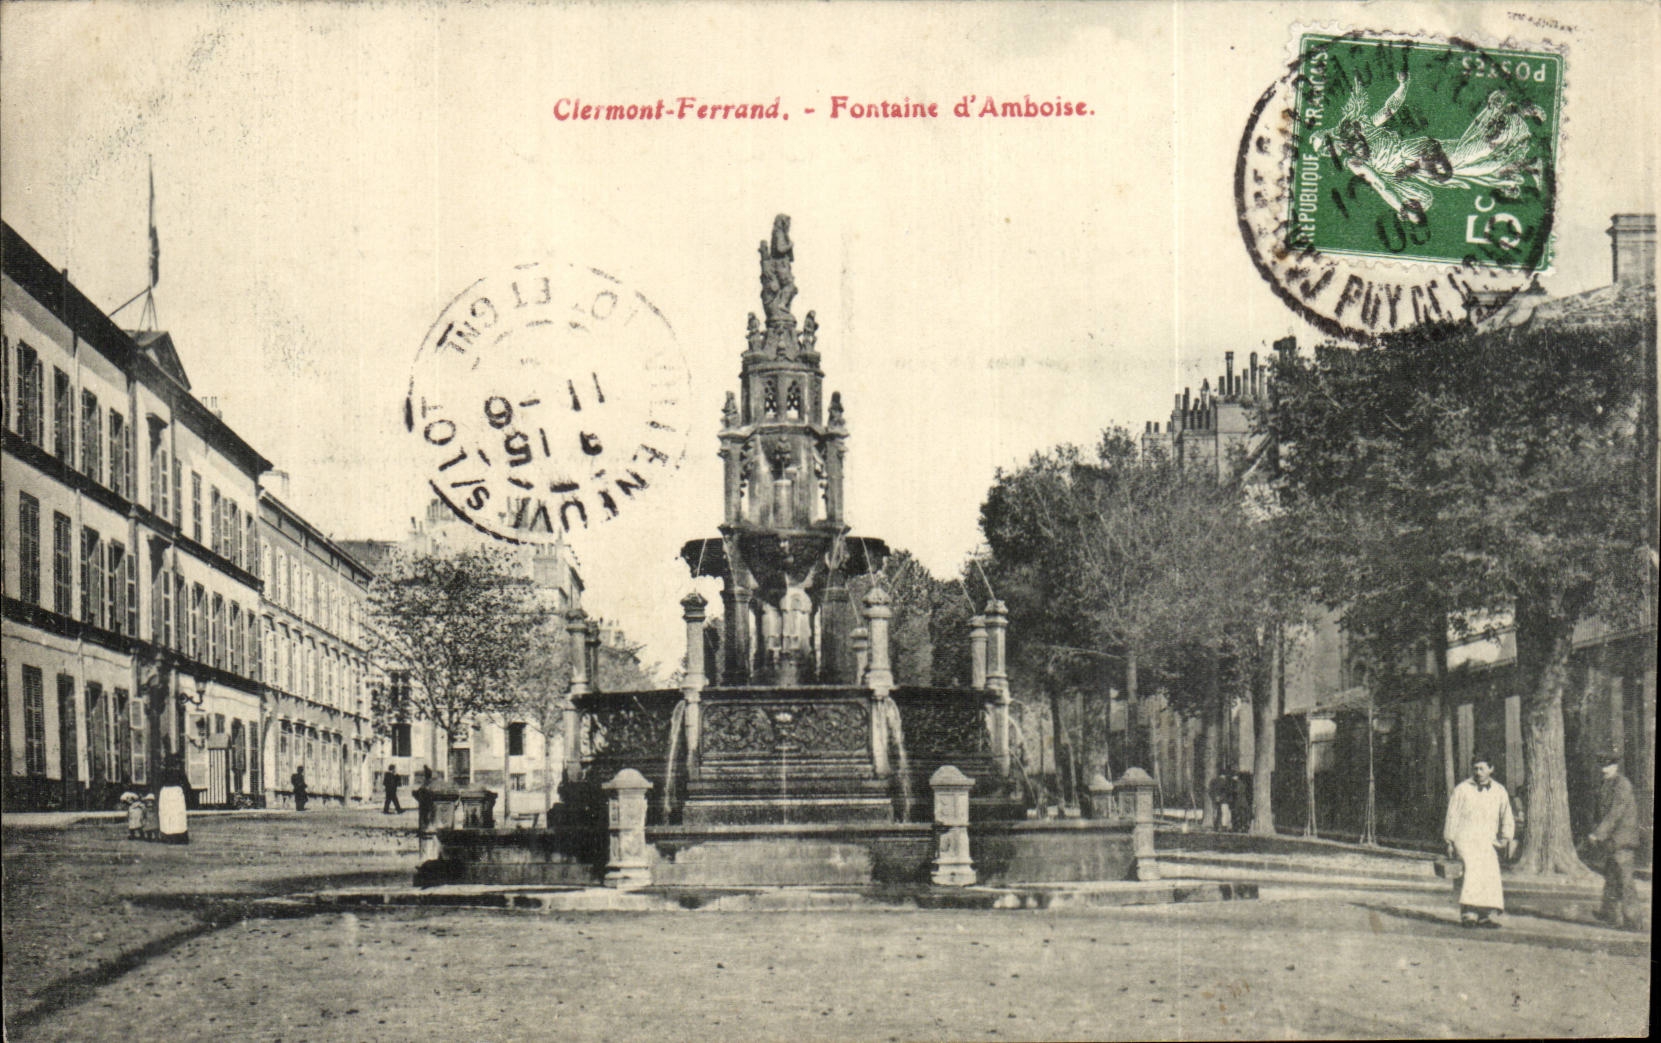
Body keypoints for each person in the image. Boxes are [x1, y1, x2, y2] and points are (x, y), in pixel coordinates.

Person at [1443, 754, 1515, 928]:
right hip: (1465, 838)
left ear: (1491, 769)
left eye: (1482, 768)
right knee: (1471, 873)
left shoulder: (1499, 790)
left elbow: (1506, 815)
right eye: (1475, 768)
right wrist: (1449, 840)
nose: (1478, 772)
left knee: (1489, 875)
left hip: (1487, 840)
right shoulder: (1462, 789)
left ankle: (1485, 915)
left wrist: (1506, 836)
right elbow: (1452, 815)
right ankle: (1468, 914)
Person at [1585, 749, 1641, 931]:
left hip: (1622, 840)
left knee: (1625, 880)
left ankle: (1632, 920)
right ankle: (1608, 913)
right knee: (1611, 877)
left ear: (1615, 766)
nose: (1604, 769)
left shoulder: (1622, 784)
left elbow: (1615, 813)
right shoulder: (1606, 784)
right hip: (1612, 840)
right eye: (1602, 765)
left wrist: (1598, 834)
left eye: (1608, 765)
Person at [157, 753, 190, 844]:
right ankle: (179, 836)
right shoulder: (179, 772)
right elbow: (186, 785)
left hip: (166, 793)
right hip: (176, 793)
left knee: (167, 815)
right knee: (177, 815)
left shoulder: (163, 772)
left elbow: (158, 783)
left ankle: (168, 836)